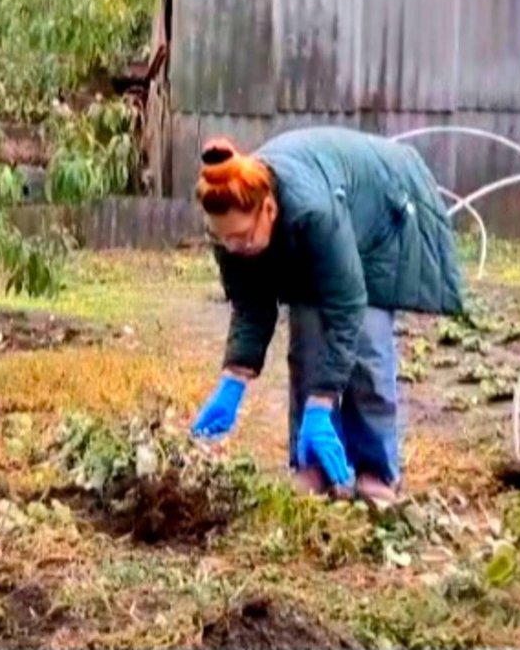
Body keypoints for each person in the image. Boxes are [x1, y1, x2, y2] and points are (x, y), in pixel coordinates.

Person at [188, 127, 464, 504]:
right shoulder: (230, 232)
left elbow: (346, 306)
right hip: (321, 212)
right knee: (306, 343)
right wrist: (234, 377)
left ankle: (376, 471)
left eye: (241, 238)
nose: (233, 247)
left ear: (268, 209)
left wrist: (321, 402)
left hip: (382, 216)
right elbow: (252, 306)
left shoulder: (313, 212)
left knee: (365, 344)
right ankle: (314, 466)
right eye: (223, 239)